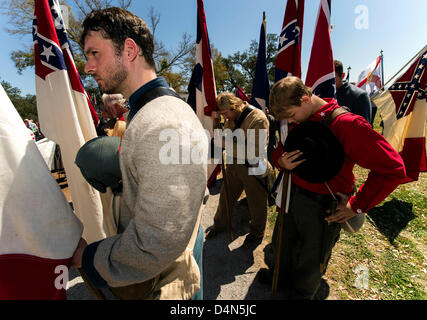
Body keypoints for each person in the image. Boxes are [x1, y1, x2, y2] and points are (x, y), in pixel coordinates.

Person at [71, 7, 208, 300]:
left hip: (163, 281)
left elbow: (155, 242)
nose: (88, 67)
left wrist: (89, 257)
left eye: (95, 53)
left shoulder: (162, 121)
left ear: (129, 50)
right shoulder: (148, 113)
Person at [259, 76, 406, 299]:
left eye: (291, 115)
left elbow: (392, 168)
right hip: (292, 195)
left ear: (305, 99)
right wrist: (281, 162)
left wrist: (356, 205)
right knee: (283, 242)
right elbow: (283, 149)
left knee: (312, 256)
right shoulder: (297, 118)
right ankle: (279, 275)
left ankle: (301, 293)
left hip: (322, 206)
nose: (289, 122)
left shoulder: (347, 125)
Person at [205, 92, 270, 241]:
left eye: (226, 113)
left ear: (235, 106)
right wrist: (216, 122)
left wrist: (225, 144)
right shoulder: (231, 116)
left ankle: (256, 233)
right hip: (234, 164)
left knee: (256, 203)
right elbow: (226, 136)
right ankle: (219, 225)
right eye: (222, 114)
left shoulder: (257, 118)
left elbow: (255, 150)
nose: (225, 117)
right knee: (225, 198)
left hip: (253, 166)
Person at [334, 60, 373, 125]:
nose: (328, 83)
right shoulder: (322, 94)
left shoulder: (360, 96)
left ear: (342, 76)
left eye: (332, 78)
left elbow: (363, 129)